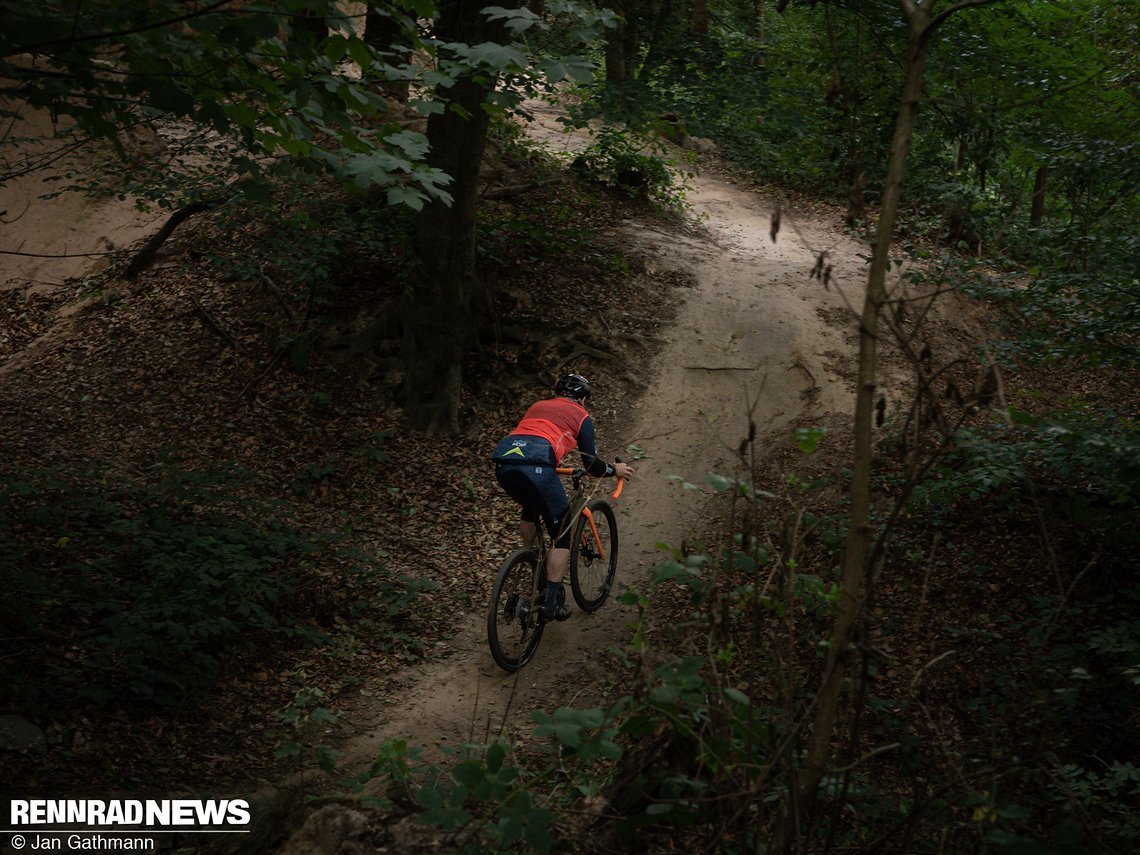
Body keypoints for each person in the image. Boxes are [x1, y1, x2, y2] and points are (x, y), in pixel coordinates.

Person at [492, 374, 634, 621]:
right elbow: (591, 466)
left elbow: (532, 437)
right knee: (562, 535)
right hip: (538, 468)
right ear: (582, 398)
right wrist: (615, 469)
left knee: (531, 504)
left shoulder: (537, 406)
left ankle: (534, 560)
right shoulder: (581, 416)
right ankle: (550, 604)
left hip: (505, 464)